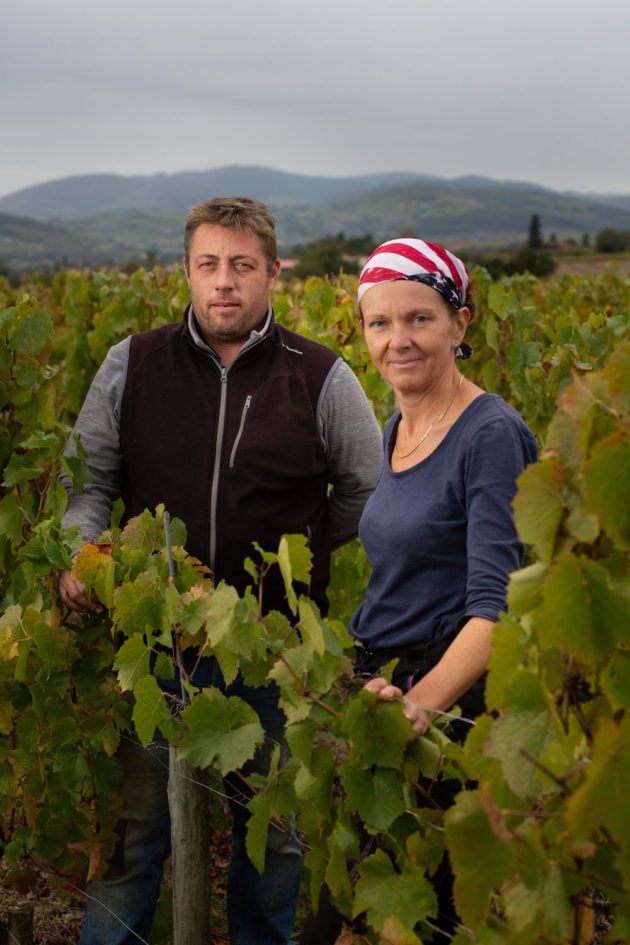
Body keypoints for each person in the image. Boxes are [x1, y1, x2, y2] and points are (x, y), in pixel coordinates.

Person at [58, 196, 384, 945]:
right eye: (209, 265)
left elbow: (366, 491)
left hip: (274, 651)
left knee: (271, 843)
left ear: (273, 272)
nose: (224, 282)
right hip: (150, 644)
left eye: (242, 265)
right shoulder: (131, 362)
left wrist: (300, 551)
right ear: (187, 272)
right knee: (133, 835)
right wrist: (84, 553)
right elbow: (90, 485)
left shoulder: (322, 375)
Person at [300, 237, 538, 943]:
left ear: (460, 323)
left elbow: (496, 612)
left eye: (420, 318)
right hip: (386, 689)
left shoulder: (489, 435)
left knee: (398, 920)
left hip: (446, 713)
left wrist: (418, 707)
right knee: (350, 913)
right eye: (380, 322)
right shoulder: (399, 423)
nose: (397, 339)